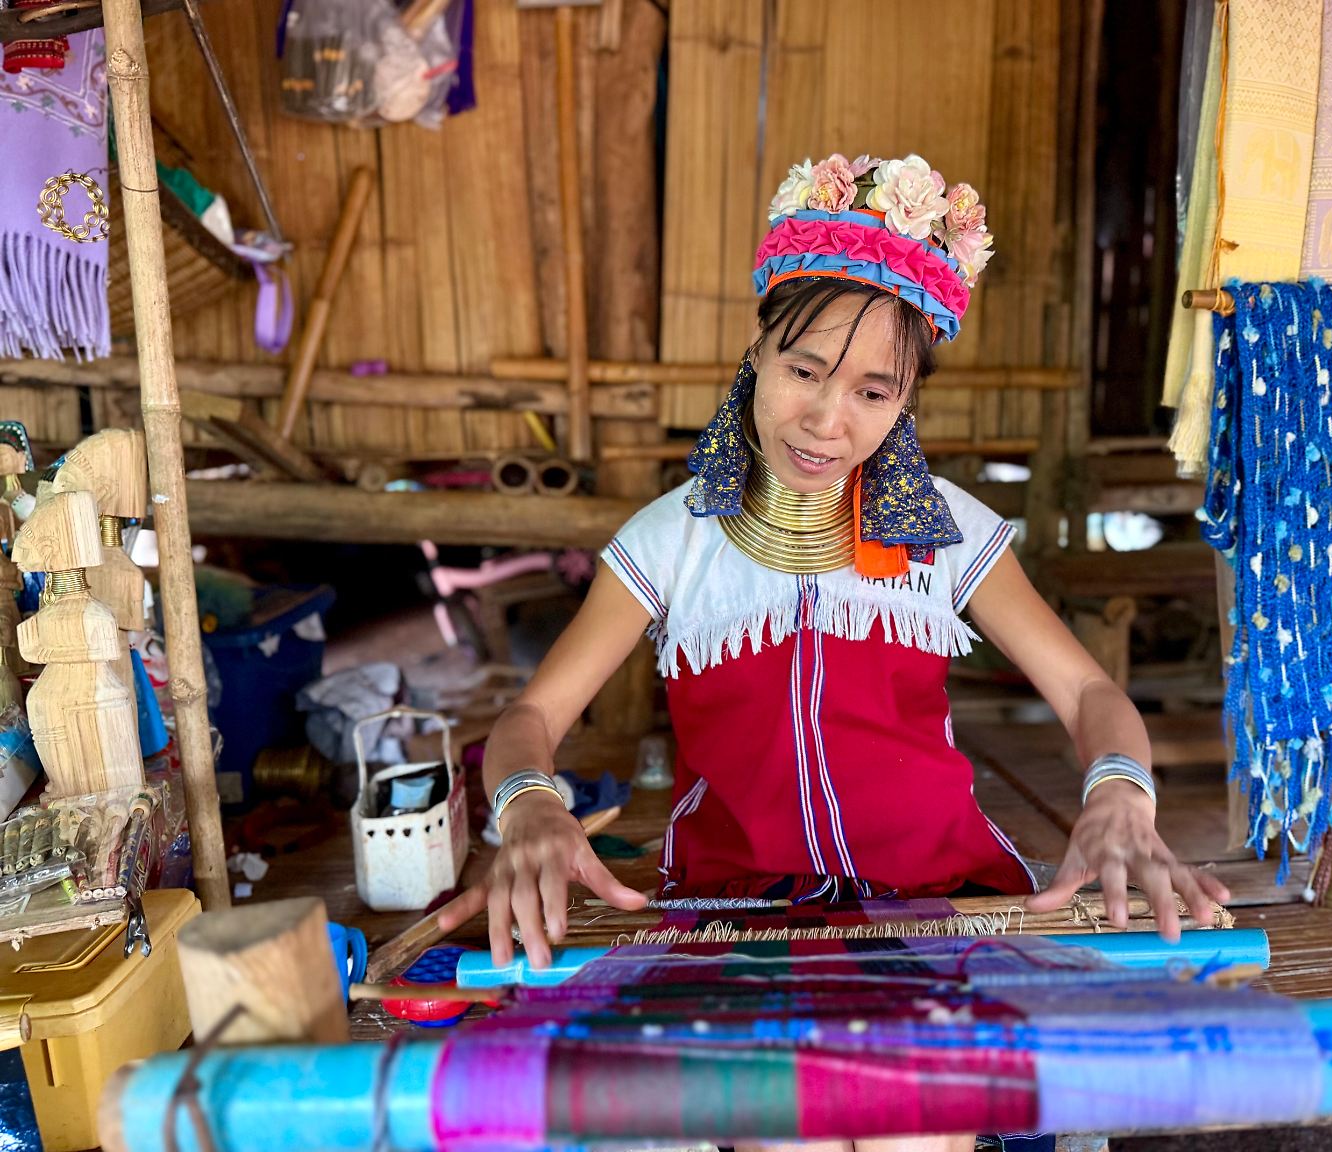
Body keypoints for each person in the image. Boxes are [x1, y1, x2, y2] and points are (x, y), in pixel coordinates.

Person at [438, 152, 1229, 1152]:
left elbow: (1086, 695)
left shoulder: (947, 532)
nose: (826, 419)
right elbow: (530, 722)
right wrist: (531, 805)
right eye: (804, 370)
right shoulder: (670, 538)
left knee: (912, 1128)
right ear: (757, 349)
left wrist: (1120, 793)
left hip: (940, 903)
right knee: (791, 1128)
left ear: (906, 401)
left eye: (872, 392)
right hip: (734, 911)